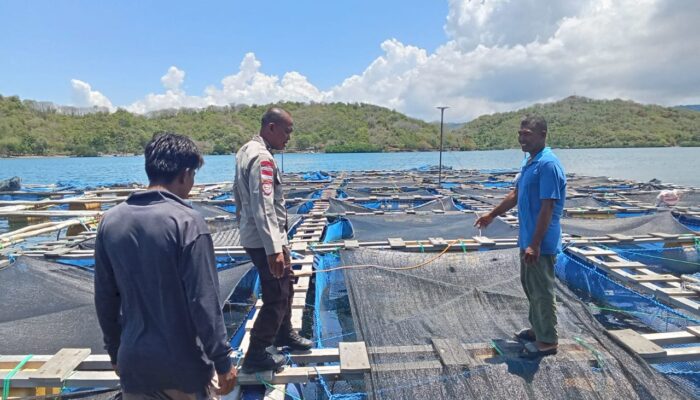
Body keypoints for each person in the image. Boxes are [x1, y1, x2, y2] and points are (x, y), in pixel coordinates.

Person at [94, 133, 237, 399]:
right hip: (183, 369)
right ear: (185, 174)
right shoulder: (187, 222)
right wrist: (222, 360)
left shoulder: (110, 221)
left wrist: (115, 351)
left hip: (134, 365)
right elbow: (204, 301)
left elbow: (105, 298)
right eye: (193, 176)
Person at [475, 115, 566, 359]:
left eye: (527, 134)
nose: (521, 138)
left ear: (542, 135)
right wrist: (491, 215)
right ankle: (538, 329)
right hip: (527, 239)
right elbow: (516, 194)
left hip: (541, 242)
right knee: (530, 287)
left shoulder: (548, 164)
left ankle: (547, 341)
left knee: (542, 291)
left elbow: (548, 207)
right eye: (520, 134)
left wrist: (535, 245)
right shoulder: (530, 162)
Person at [234, 107, 313, 373]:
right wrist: (274, 249)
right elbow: (263, 206)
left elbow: (240, 198)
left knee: (286, 285)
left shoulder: (246, 150)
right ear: (270, 127)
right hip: (265, 241)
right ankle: (256, 352)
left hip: (262, 237)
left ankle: (283, 333)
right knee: (276, 296)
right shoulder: (262, 158)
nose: (289, 137)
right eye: (286, 131)